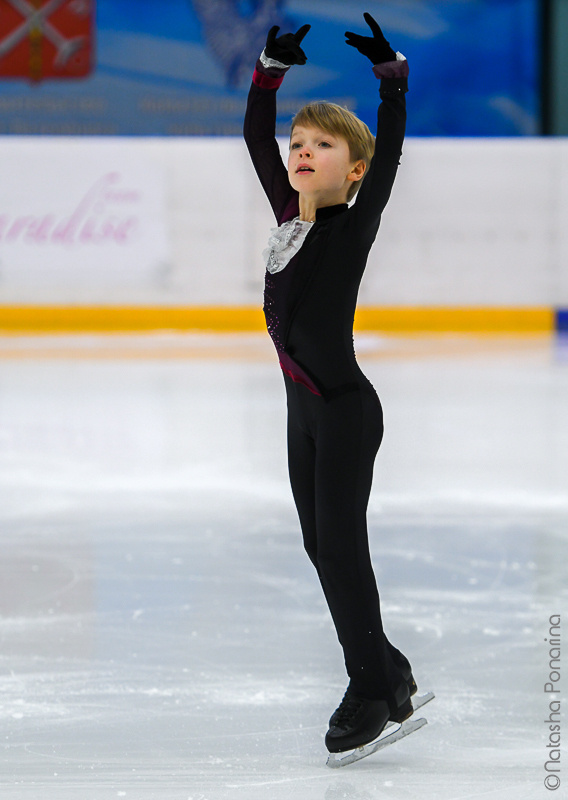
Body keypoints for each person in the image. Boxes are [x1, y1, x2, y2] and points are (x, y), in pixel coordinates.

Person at [243, 11, 416, 755]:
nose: (302, 150)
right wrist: (268, 72)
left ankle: (371, 688)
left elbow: (393, 151)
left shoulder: (353, 222)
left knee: (345, 553)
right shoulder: (288, 214)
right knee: (322, 549)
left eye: (323, 145)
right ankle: (391, 669)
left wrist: (392, 81)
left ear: (353, 169)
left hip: (345, 412)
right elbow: (255, 135)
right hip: (302, 413)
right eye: (299, 142)